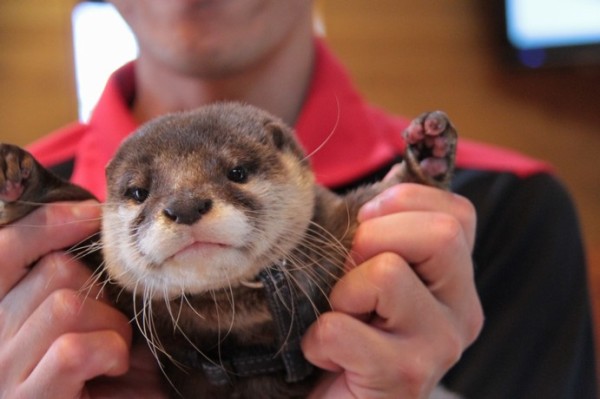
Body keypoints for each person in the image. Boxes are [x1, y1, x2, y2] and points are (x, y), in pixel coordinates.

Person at [0, 1, 595, 398]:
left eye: (235, 172)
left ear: (287, 161)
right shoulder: (24, 224)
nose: (181, 209)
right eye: (136, 194)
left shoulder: (505, 205)